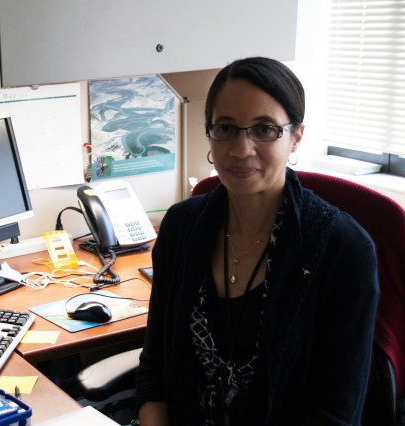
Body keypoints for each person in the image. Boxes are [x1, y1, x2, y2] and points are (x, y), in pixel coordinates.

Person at [135, 57, 379, 425]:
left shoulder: (343, 250)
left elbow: (335, 411)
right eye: (226, 128)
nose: (240, 149)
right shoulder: (181, 227)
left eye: (265, 129)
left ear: (296, 136)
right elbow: (155, 366)